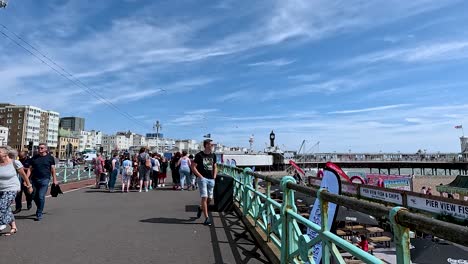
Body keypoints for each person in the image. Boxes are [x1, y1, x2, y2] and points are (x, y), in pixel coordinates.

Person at [0, 146, 33, 235]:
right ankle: (14, 227)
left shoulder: (15, 162)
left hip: (12, 188)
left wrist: (29, 185)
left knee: (2, 206)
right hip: (1, 189)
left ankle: (2, 223)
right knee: (6, 209)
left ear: (5, 154)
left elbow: (23, 175)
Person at [29, 143, 58, 221]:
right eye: (39, 148)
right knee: (34, 196)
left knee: (41, 196)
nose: (39, 149)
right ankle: (40, 207)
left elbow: (53, 169)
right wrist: (27, 179)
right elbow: (30, 169)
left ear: (46, 149)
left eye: (41, 148)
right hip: (34, 179)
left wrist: (55, 179)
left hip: (45, 179)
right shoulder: (34, 158)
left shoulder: (50, 158)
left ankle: (39, 213)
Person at [192, 139, 217, 226]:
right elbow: (193, 166)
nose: (212, 145)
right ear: (206, 145)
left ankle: (200, 208)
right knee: (204, 197)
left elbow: (215, 166)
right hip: (202, 179)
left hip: (211, 179)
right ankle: (207, 218)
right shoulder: (199, 155)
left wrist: (214, 176)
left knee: (210, 199)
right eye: (211, 144)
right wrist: (200, 176)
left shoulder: (213, 155)